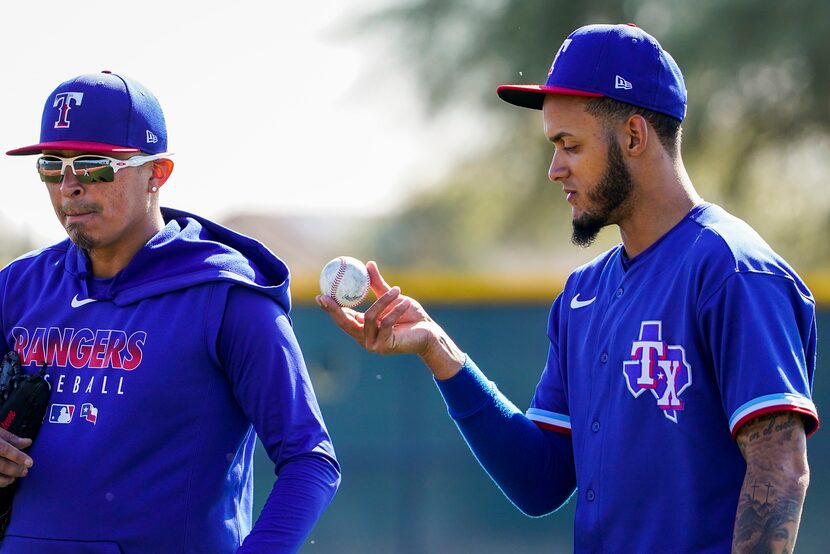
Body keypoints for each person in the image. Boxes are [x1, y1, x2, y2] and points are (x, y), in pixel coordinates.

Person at [317, 23, 819, 553]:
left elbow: (780, 471)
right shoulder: (584, 295)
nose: (555, 169)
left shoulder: (732, 271)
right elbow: (541, 481)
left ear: (632, 136)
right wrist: (438, 351)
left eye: (570, 145)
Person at [1, 71, 340, 552]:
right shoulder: (17, 287)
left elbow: (310, 460)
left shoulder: (225, 295)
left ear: (156, 174)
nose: (69, 185)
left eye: (94, 165)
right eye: (51, 166)